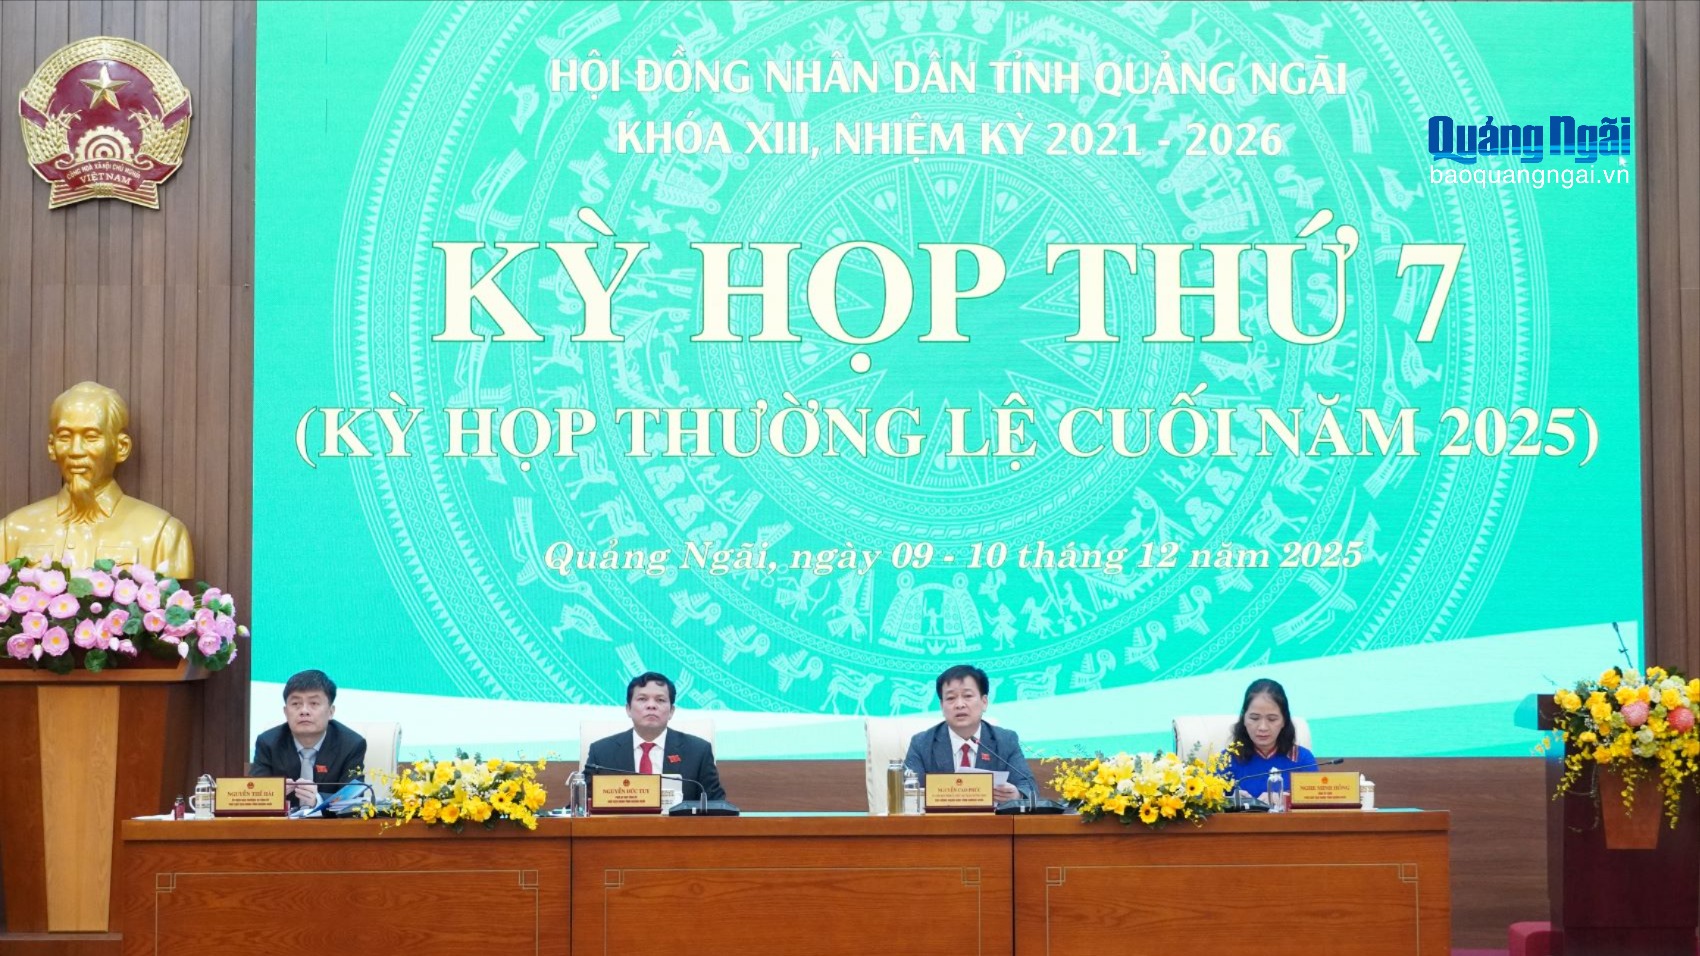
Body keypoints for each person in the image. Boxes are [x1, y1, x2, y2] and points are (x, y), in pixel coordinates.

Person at [1, 381, 192, 575]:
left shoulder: (162, 533)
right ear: (52, 446)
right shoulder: (11, 531)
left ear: (121, 447)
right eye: (65, 437)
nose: (76, 451)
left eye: (91, 437)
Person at [903, 664, 1036, 803]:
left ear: (984, 702)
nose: (959, 704)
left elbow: (1029, 787)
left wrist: (1017, 795)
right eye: (951, 698)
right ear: (942, 706)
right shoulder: (922, 743)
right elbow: (907, 792)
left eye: (967, 696)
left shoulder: (1006, 740)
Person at [585, 671, 725, 802]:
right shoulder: (601, 753)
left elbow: (717, 806)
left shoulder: (698, 752)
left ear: (671, 711)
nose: (651, 705)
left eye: (660, 700)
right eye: (642, 699)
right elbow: (582, 805)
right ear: (628, 709)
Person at [250, 669, 368, 809]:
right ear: (285, 712)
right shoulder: (268, 743)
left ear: (331, 712)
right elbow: (253, 795)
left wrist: (318, 800)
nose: (304, 711)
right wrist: (272, 794)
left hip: (329, 822)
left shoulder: (351, 745)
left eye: (314, 703)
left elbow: (353, 797)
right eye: (296, 704)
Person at [1227, 678, 1318, 801]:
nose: (1262, 727)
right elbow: (1206, 802)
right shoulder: (1228, 759)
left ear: (1284, 721)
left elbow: (1314, 802)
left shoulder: (1302, 759)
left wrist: (1285, 799)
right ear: (1244, 719)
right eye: (1254, 718)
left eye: (1272, 719)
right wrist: (1228, 801)